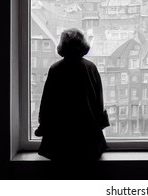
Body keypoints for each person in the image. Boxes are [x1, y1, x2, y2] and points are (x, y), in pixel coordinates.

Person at [35, 28, 109, 161]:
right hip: (87, 137)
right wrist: (100, 125)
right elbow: (99, 102)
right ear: (82, 46)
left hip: (61, 138)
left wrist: (42, 126)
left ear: (62, 46)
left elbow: (47, 103)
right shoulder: (91, 68)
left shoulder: (55, 69)